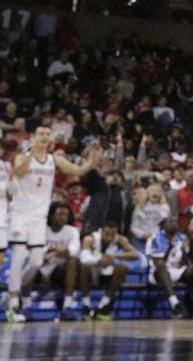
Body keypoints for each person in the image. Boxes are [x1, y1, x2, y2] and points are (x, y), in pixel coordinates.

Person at [5, 126, 100, 322]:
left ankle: (10, 291)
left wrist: (92, 161)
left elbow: (79, 170)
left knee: (36, 262)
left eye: (47, 135)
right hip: (21, 214)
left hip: (39, 217)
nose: (44, 138)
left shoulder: (55, 159)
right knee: (19, 255)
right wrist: (33, 151)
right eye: (40, 134)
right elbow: (19, 172)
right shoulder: (22, 157)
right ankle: (14, 304)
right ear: (33, 138)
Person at [78, 220, 141, 320]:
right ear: (101, 232)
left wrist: (115, 256)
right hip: (92, 272)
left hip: (106, 273)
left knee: (122, 268)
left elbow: (135, 255)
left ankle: (104, 305)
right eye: (107, 234)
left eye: (112, 235)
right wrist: (99, 260)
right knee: (83, 267)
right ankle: (86, 305)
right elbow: (83, 259)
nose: (110, 238)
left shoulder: (119, 239)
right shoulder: (90, 239)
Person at [30, 202, 82, 320]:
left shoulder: (72, 231)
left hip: (57, 271)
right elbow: (38, 253)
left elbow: (73, 251)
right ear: (51, 215)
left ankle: (67, 306)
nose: (63, 217)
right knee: (30, 261)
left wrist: (51, 253)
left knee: (72, 262)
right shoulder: (41, 230)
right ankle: (25, 305)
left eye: (66, 215)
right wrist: (58, 252)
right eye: (60, 214)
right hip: (39, 269)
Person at [146, 217, 193, 318]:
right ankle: (174, 302)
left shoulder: (182, 238)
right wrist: (169, 249)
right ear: (163, 225)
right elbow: (157, 261)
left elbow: (184, 263)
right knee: (161, 265)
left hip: (176, 271)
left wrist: (185, 251)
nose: (174, 224)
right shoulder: (154, 238)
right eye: (170, 221)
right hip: (157, 273)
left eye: (176, 221)